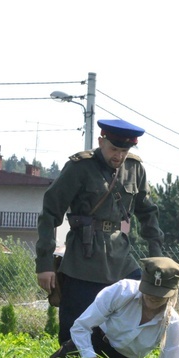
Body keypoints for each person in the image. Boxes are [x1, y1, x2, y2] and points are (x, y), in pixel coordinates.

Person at [35, 119, 164, 345]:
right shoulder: (79, 167)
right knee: (75, 326)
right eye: (114, 149)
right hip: (83, 258)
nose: (119, 156)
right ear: (101, 141)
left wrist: (157, 260)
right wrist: (44, 264)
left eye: (125, 150)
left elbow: (148, 215)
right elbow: (49, 213)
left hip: (120, 257)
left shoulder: (134, 168)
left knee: (131, 315)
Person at [48, 257, 179, 358]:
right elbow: (81, 327)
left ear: (172, 293)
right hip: (90, 344)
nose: (153, 296)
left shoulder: (171, 321)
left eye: (160, 294)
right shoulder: (122, 291)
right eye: (149, 290)